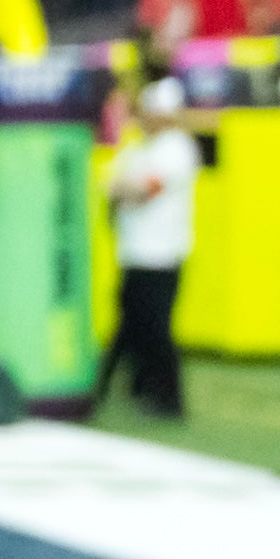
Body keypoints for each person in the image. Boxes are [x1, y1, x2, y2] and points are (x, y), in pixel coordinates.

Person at [103, 81, 200, 417]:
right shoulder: (143, 147)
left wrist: (123, 190)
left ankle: (170, 399)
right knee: (133, 323)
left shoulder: (176, 148)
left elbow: (142, 190)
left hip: (161, 254)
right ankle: (136, 389)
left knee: (155, 329)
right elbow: (114, 184)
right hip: (135, 250)